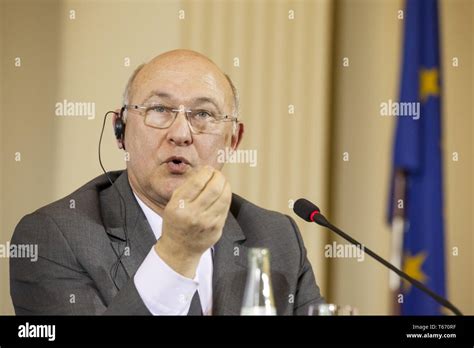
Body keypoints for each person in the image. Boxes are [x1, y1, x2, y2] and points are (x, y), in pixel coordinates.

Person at [10, 49, 324, 315]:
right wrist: (176, 254)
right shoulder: (52, 237)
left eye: (203, 114)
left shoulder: (276, 237)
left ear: (234, 140)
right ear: (120, 131)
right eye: (159, 109)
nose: (181, 134)